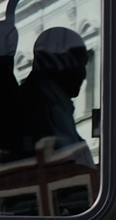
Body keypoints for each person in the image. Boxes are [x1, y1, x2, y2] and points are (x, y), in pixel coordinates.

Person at [14, 26, 93, 165]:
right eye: (81, 64)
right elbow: (69, 162)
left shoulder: (50, 101)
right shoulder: (42, 105)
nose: (84, 75)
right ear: (60, 62)